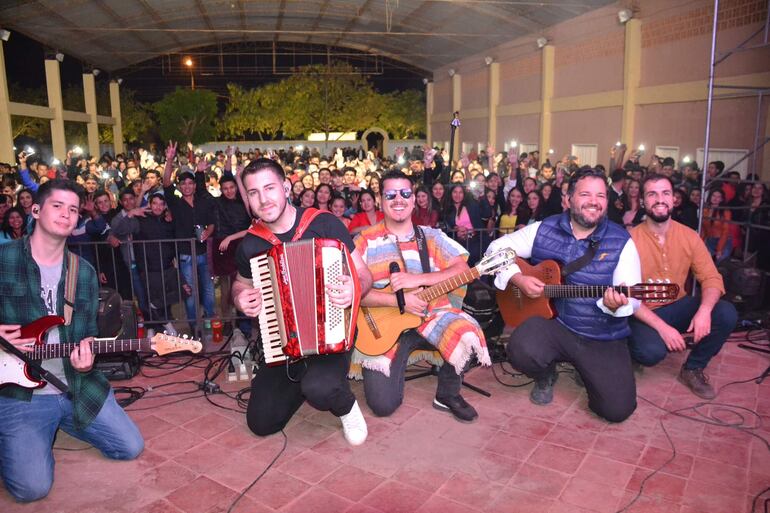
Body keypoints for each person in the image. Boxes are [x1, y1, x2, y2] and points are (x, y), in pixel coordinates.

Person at [0, 179, 143, 502]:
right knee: (31, 489)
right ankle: (25, 436)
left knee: (129, 447)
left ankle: (55, 425)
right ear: (35, 210)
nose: (66, 214)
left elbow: (86, 334)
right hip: (18, 391)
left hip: (75, 383)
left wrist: (87, 356)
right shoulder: (5, 259)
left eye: (74, 209)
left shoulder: (85, 272)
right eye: (57, 206)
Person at [232, 158, 373, 446]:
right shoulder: (251, 243)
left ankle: (344, 405)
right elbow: (240, 283)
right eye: (254, 192)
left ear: (285, 187)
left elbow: (364, 274)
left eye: (269, 188)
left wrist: (353, 287)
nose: (263, 198)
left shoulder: (323, 223)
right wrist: (239, 298)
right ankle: (306, 383)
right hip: (284, 344)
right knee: (261, 423)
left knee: (320, 388)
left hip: (331, 336)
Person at [486, 168, 642, 423]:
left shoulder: (621, 241)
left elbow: (633, 298)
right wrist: (518, 278)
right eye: (585, 194)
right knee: (520, 349)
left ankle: (587, 369)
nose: (594, 201)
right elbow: (496, 248)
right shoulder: (544, 229)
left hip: (601, 334)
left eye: (601, 195)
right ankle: (546, 373)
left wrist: (615, 305)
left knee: (616, 410)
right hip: (555, 325)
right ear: (568, 199)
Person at [354, 170, 491, 422]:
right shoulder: (364, 240)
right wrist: (398, 301)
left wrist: (416, 280)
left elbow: (462, 269)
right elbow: (355, 292)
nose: (399, 199)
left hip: (431, 316)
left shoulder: (431, 236)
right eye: (391, 194)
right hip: (383, 326)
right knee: (383, 405)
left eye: (405, 193)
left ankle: (447, 394)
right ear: (380, 199)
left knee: (469, 332)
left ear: (414, 198)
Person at [628, 174, 737, 399]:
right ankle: (626, 348)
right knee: (650, 353)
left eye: (665, 193)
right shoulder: (630, 240)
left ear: (673, 199)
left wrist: (704, 312)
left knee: (725, 312)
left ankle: (693, 368)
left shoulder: (689, 236)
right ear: (643, 202)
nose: (660, 199)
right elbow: (628, 297)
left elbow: (711, 278)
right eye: (652, 194)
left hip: (678, 306)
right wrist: (663, 328)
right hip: (643, 312)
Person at [161, 142, 216, 329]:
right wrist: (169, 159)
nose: (187, 186)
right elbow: (166, 182)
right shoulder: (175, 203)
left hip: (203, 253)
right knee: (190, 293)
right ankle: (195, 326)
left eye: (190, 183)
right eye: (183, 183)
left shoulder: (202, 201)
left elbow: (212, 223)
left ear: (194, 185)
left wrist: (207, 232)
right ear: (179, 186)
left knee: (209, 291)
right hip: (185, 255)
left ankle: (210, 321)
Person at [701, 188, 732, 263]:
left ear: (721, 199)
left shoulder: (726, 212)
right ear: (710, 197)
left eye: (718, 197)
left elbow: (725, 231)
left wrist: (720, 249)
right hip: (710, 240)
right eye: (713, 196)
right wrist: (699, 243)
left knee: (720, 263)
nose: (715, 198)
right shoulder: (705, 210)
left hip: (724, 241)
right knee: (707, 264)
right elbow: (703, 229)